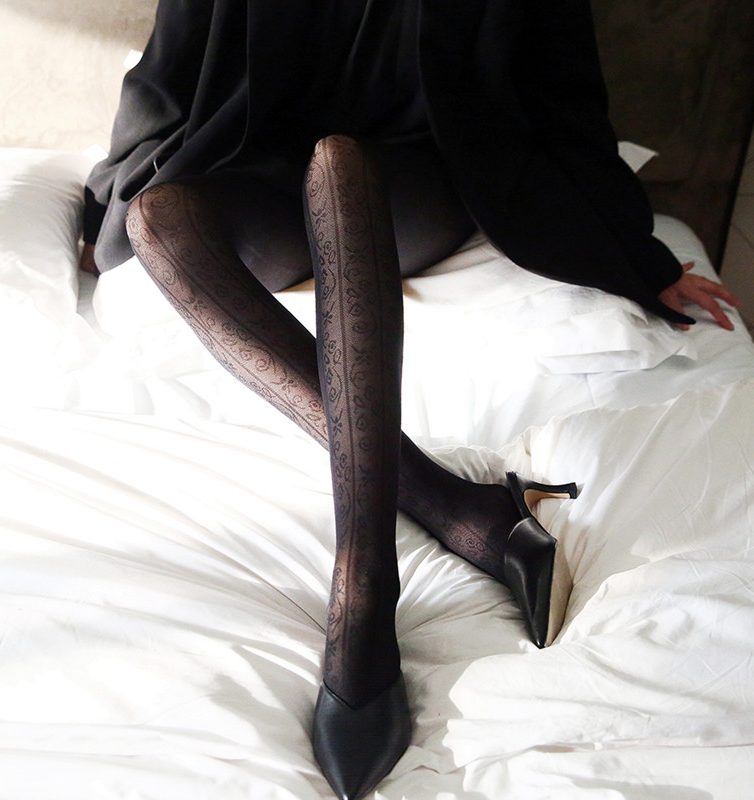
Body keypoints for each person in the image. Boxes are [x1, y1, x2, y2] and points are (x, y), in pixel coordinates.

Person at [80, 2, 739, 797]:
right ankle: (457, 505)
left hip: (415, 178)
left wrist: (642, 258)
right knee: (159, 216)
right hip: (260, 167)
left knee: (341, 163)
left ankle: (363, 593)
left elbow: (567, 104)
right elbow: (167, 79)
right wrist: (107, 201)